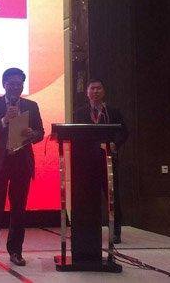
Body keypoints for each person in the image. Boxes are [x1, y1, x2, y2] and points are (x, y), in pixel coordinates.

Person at [0, 67, 45, 269]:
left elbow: (40, 131)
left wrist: (33, 134)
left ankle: (16, 252)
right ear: (4, 84)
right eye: (12, 83)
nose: (15, 87)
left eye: (19, 84)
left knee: (18, 211)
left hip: (21, 163)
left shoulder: (31, 105)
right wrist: (4, 120)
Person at [74, 78, 128, 243]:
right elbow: (77, 134)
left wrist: (114, 144)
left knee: (112, 196)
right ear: (87, 93)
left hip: (108, 159)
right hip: (87, 161)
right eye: (92, 89)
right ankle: (90, 229)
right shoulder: (80, 112)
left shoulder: (112, 112)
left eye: (98, 88)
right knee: (88, 196)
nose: (95, 91)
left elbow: (124, 132)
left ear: (103, 92)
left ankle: (115, 230)